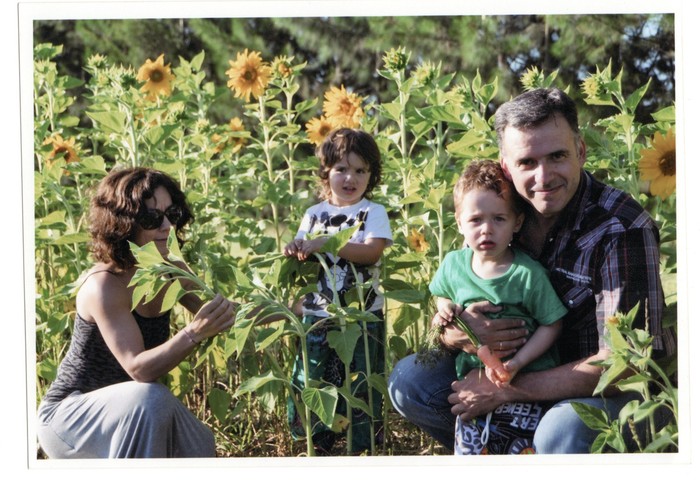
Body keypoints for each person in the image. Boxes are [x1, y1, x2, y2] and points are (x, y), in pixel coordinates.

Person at [388, 88, 676, 453]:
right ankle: (503, 449)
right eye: (527, 162)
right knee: (412, 380)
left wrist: (504, 389)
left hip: (605, 395)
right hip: (509, 372)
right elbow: (454, 297)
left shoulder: (621, 227)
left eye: (557, 156)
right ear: (506, 166)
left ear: (581, 151)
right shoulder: (497, 214)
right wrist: (457, 334)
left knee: (560, 431)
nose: (543, 176)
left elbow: (628, 365)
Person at [36, 167, 237, 458]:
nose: (167, 226)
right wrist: (194, 333)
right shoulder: (104, 284)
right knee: (153, 398)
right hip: (69, 420)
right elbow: (139, 369)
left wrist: (293, 310)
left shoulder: (167, 265)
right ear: (123, 224)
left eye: (173, 214)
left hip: (130, 412)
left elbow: (223, 313)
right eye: (152, 218)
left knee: (199, 443)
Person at [428, 160, 567, 454]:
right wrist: (446, 309)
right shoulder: (453, 265)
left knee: (518, 450)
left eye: (499, 219)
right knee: (472, 448)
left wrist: (517, 362)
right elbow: (441, 294)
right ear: (459, 222)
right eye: (476, 220)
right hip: (471, 383)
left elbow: (552, 324)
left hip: (526, 387)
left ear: (517, 223)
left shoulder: (528, 275)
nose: (486, 230)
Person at [283, 128, 393, 454]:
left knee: (361, 382)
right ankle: (316, 444)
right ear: (326, 172)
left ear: (371, 176)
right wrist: (296, 247)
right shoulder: (314, 214)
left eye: (361, 170)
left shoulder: (372, 212)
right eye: (341, 169)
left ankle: (361, 446)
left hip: (362, 317)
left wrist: (329, 244)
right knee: (314, 379)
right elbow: (305, 250)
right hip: (319, 315)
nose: (350, 178)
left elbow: (372, 252)